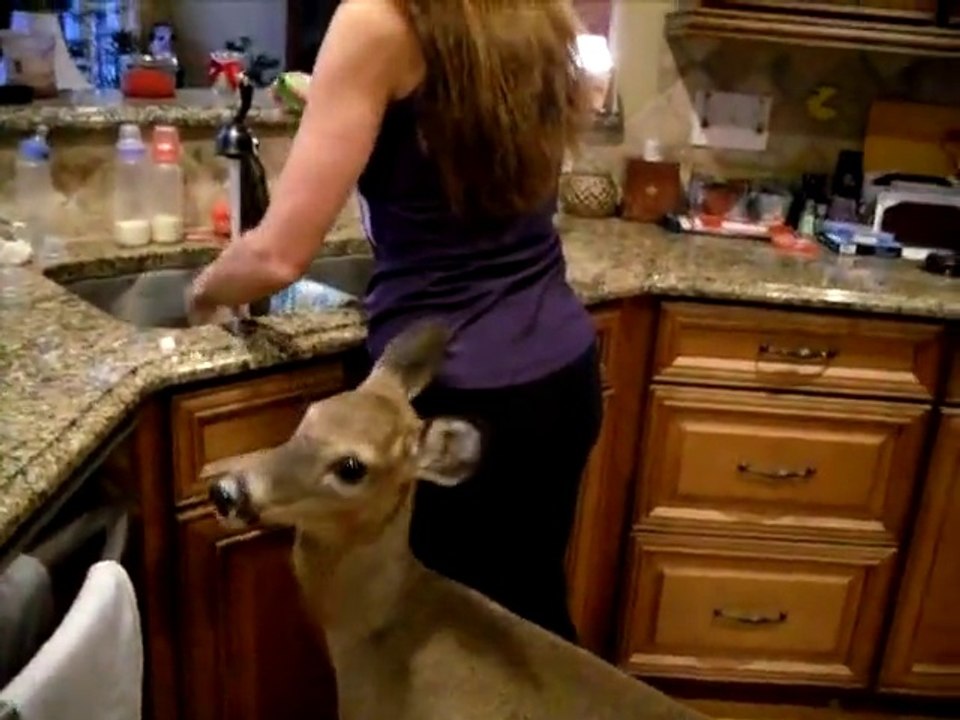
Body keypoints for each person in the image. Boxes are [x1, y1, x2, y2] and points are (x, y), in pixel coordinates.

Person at [186, 0, 602, 643]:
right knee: (527, 633)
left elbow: (276, 255)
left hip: (450, 392)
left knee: (440, 652)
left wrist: (202, 292)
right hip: (561, 376)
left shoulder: (376, 22)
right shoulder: (538, 12)